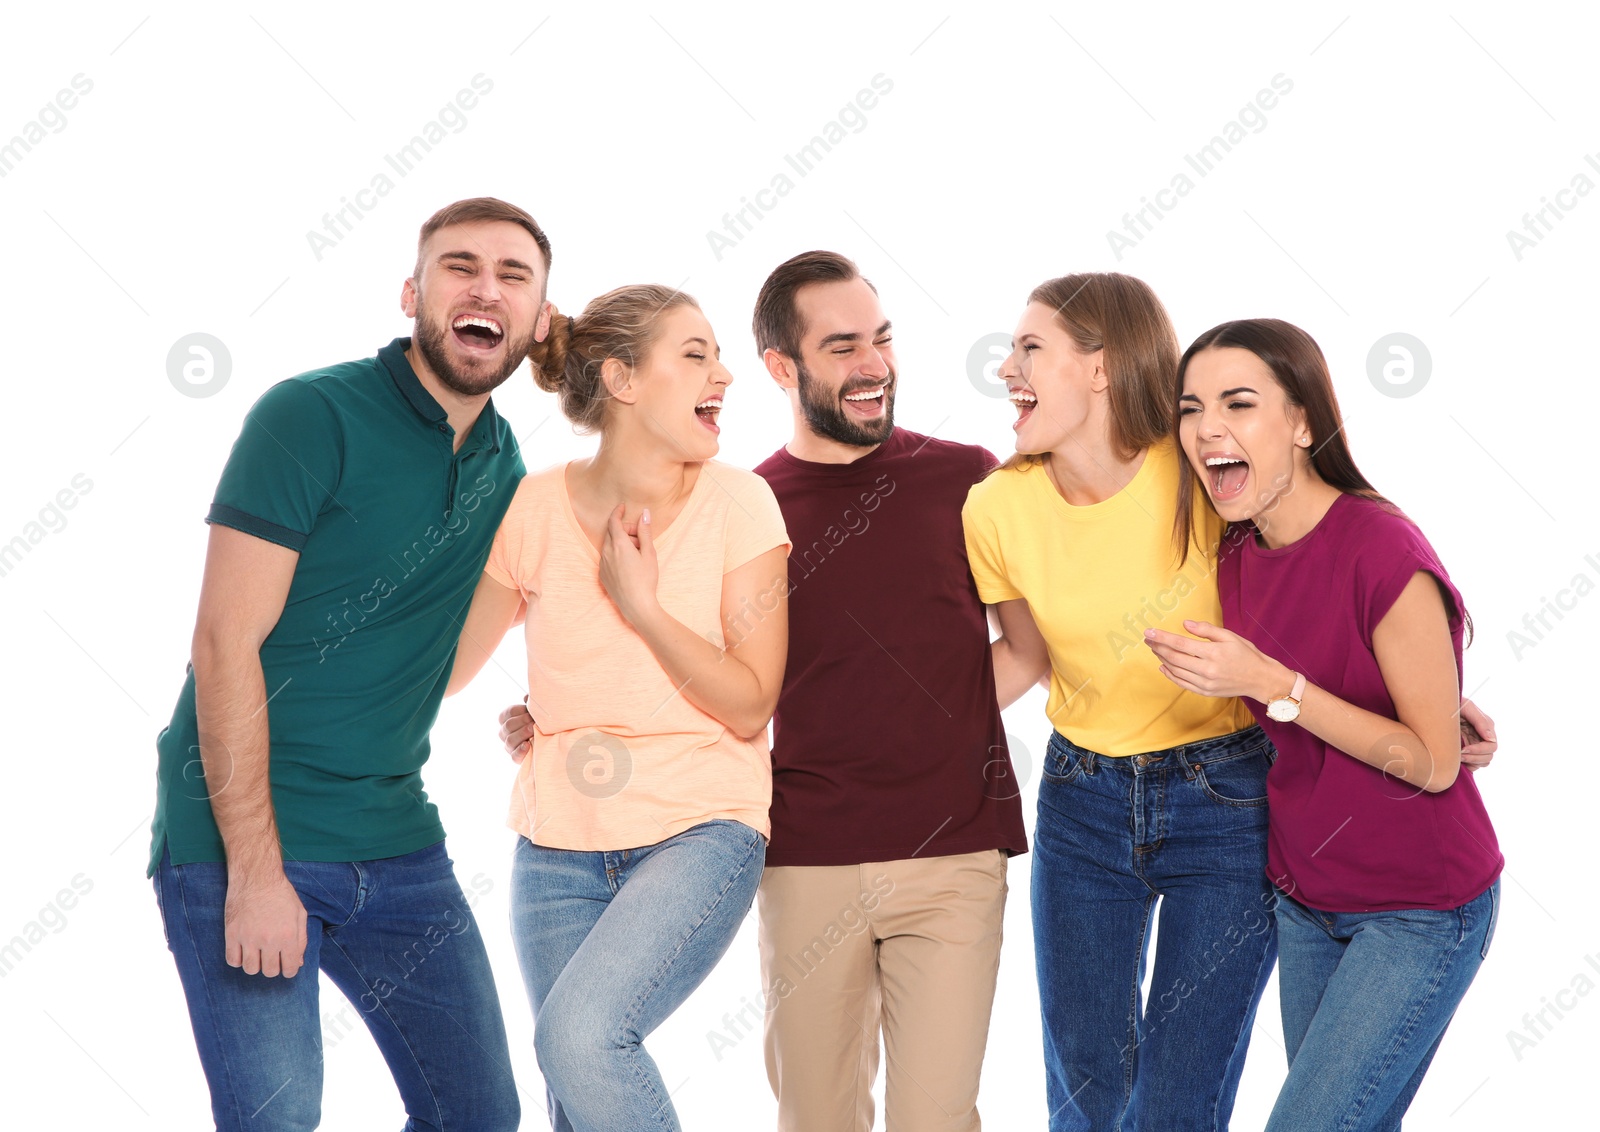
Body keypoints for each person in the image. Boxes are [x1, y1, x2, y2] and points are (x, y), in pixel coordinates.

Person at [499, 250, 1028, 1131]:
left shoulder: (965, 476)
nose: (875, 365)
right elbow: (674, 670)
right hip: (805, 854)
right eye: (844, 346)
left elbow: (1026, 650)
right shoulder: (745, 505)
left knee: (938, 1116)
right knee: (816, 1117)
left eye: (883, 340)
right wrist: (553, 717)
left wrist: (926, 729)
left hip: (952, 853)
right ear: (784, 367)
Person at [960, 274, 1498, 1131]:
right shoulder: (1010, 506)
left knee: (1192, 1098)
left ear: (1101, 370)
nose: (1005, 367)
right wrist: (899, 734)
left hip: (1241, 804)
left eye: (1031, 347)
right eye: (1194, 406)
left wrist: (1424, 709)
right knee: (1086, 1089)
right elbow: (1023, 654)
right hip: (1113, 810)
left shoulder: (1209, 484)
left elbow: (1344, 579)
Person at [148, 197, 549, 1131]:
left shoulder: (504, 462)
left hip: (393, 834)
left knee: (479, 1117)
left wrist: (555, 708)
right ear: (413, 293)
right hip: (241, 832)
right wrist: (256, 874)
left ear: (536, 322)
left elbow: (445, 667)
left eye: (513, 276)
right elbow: (221, 643)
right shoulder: (311, 413)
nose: (484, 288)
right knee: (277, 1122)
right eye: (460, 267)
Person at [446, 283, 791, 1131]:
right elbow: (445, 671)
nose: (725, 373)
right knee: (576, 1100)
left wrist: (642, 606)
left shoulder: (740, 502)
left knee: (580, 1038)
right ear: (624, 380)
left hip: (702, 827)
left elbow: (751, 704)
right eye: (697, 353)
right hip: (557, 841)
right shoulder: (531, 507)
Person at [1147, 318, 1503, 1131]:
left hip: (1420, 906)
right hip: (1306, 901)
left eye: (1239, 402)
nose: (1207, 429)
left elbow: (1432, 765)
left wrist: (1276, 685)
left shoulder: (1379, 548)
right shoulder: (1236, 551)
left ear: (1304, 422)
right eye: (1190, 408)